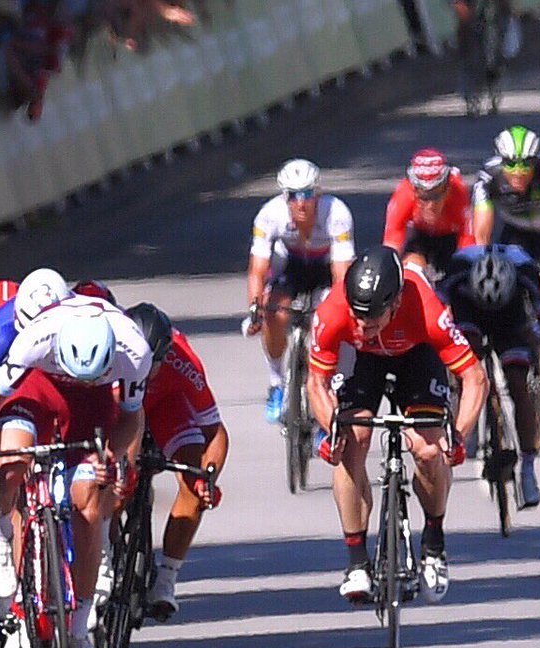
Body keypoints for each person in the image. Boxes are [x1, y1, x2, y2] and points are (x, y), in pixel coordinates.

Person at [0, 284, 151, 648]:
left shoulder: (134, 350)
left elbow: (131, 418)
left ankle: (79, 629)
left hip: (93, 406)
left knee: (88, 504)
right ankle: (2, 533)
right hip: (37, 390)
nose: (81, 380)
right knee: (13, 461)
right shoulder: (36, 339)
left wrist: (110, 457)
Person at [306, 246, 487, 603]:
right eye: (357, 316)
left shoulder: (426, 308)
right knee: (351, 441)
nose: (363, 325)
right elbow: (316, 383)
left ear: (396, 302)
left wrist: (459, 436)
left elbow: (474, 377)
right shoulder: (334, 310)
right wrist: (331, 429)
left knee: (428, 450)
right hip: (361, 360)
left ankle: (433, 543)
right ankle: (357, 562)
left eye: (372, 318)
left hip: (416, 355)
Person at [125, 302, 228, 620]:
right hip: (121, 408)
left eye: (150, 363)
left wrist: (208, 476)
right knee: (111, 479)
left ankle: (166, 579)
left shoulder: (184, 363)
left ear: (165, 355)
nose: (142, 368)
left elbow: (215, 432)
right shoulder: (110, 350)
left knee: (193, 481)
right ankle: (104, 556)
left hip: (166, 406)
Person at [435, 245, 540, 507]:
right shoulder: (458, 269)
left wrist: (536, 335)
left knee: (518, 385)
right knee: (467, 360)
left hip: (510, 318)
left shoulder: (524, 270)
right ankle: (466, 414)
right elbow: (433, 313)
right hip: (469, 312)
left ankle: (528, 469)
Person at [473, 125, 540, 405]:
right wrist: (484, 262)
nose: (519, 171)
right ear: (501, 161)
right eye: (511, 164)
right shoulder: (489, 176)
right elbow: (481, 231)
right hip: (516, 238)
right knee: (505, 301)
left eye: (526, 164)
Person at [245, 158, 355, 423]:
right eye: (293, 196)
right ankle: (276, 383)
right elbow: (258, 269)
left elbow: (342, 274)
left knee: (332, 321)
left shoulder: (337, 213)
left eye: (307, 194)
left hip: (325, 266)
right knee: (274, 312)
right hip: (291, 265)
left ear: (317, 193)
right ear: (285, 197)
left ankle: (331, 389)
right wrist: (255, 309)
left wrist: (341, 313)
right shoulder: (270, 214)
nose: (301, 203)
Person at [383, 149, 475, 284]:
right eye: (424, 197)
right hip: (419, 235)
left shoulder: (458, 192)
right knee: (410, 267)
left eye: (436, 195)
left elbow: (468, 241)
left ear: (447, 188)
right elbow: (392, 242)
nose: (430, 205)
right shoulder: (404, 194)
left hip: (448, 237)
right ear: (414, 191)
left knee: (458, 276)